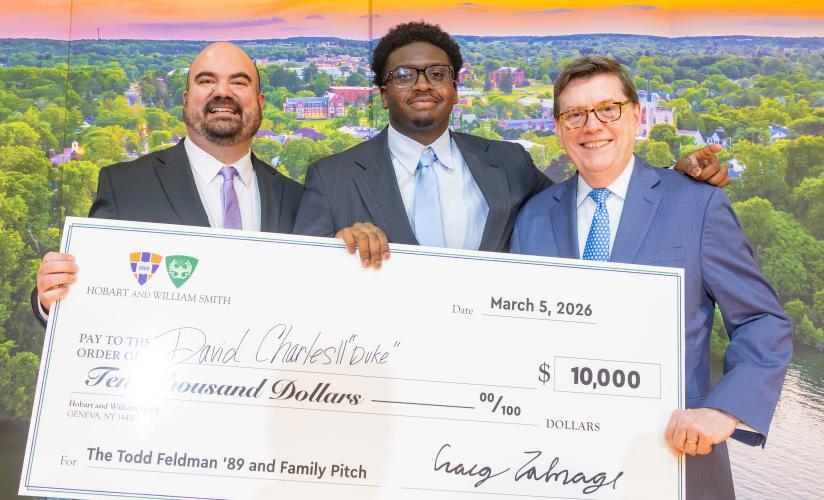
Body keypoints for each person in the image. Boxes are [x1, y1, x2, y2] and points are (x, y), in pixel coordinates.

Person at [510, 56, 793, 499]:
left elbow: (762, 321)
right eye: (575, 114)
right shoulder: (533, 218)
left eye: (609, 109)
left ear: (637, 115)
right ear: (560, 128)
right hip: (555, 467)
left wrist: (724, 410)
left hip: (675, 461)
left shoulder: (697, 205)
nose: (592, 125)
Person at [294, 21, 728, 255]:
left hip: (497, 389)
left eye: (438, 74)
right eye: (405, 75)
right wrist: (333, 256)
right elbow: (296, 287)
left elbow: (584, 209)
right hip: (385, 389)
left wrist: (671, 181)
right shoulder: (330, 178)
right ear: (383, 94)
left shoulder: (509, 163)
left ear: (456, 90)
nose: (423, 85)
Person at [32, 42, 378, 326]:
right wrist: (52, 299)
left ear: (259, 105)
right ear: (186, 100)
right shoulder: (125, 186)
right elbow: (94, 295)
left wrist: (349, 257)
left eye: (239, 82)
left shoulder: (297, 199)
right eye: (206, 81)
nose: (222, 92)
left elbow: (317, 304)